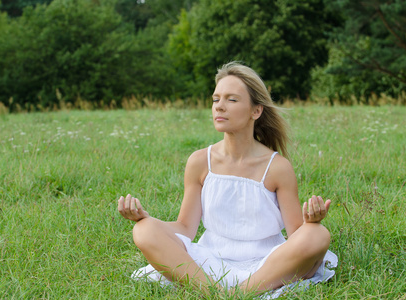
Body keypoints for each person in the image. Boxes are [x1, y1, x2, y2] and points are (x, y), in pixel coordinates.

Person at [118, 62, 337, 297]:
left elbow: (297, 235)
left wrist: (311, 221)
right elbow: (185, 228)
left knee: (318, 235)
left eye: (231, 100)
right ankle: (215, 292)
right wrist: (149, 220)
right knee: (144, 230)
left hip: (267, 265)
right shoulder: (200, 161)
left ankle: (240, 293)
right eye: (215, 99)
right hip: (209, 263)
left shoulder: (277, 167)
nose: (219, 107)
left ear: (256, 111)